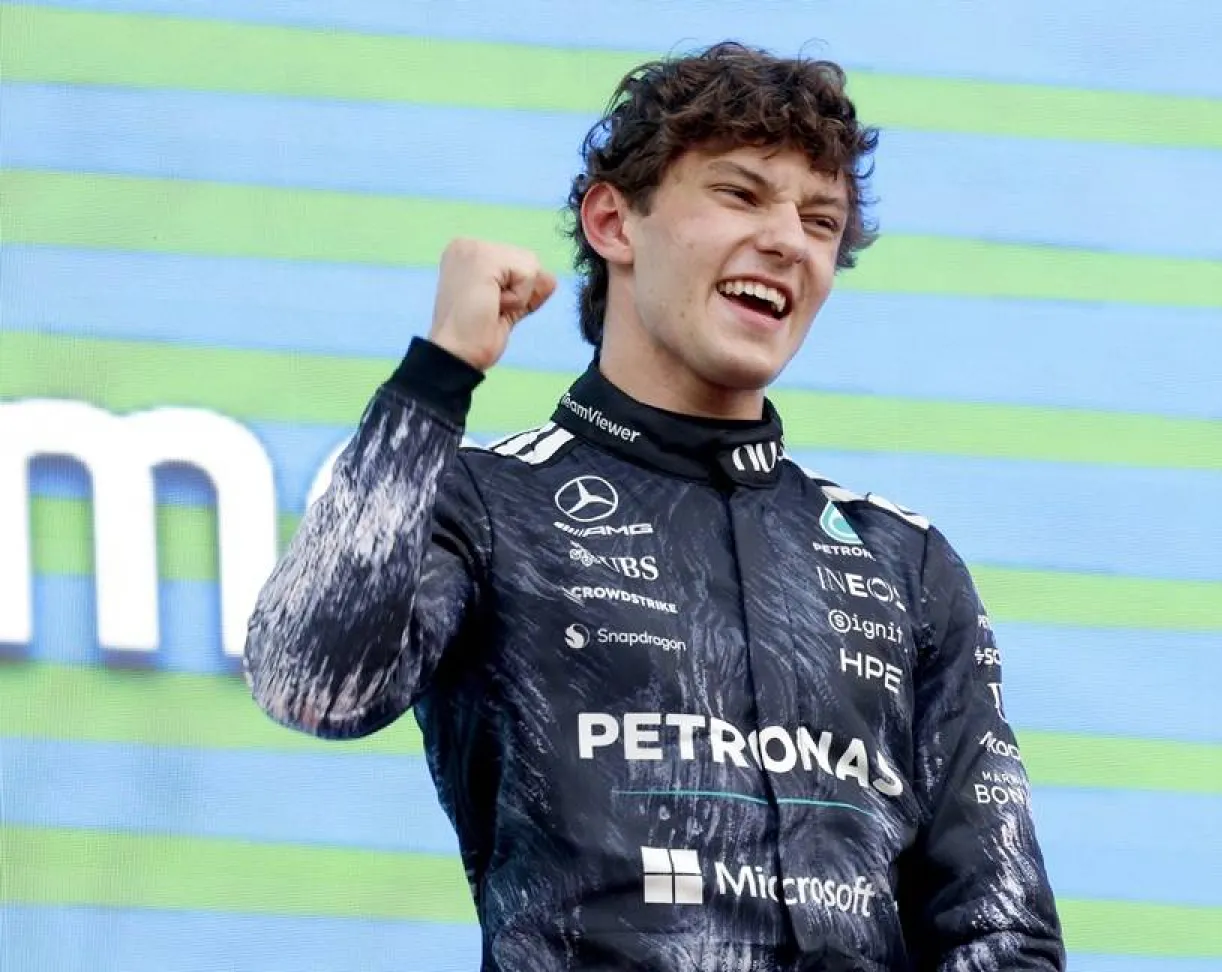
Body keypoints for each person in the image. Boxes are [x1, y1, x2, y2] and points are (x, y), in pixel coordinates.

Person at [244, 41, 1065, 972]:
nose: (790, 240)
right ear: (612, 221)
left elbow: (998, 929)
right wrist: (438, 374)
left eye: (822, 219)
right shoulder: (487, 499)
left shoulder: (904, 561)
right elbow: (309, 682)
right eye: (741, 194)